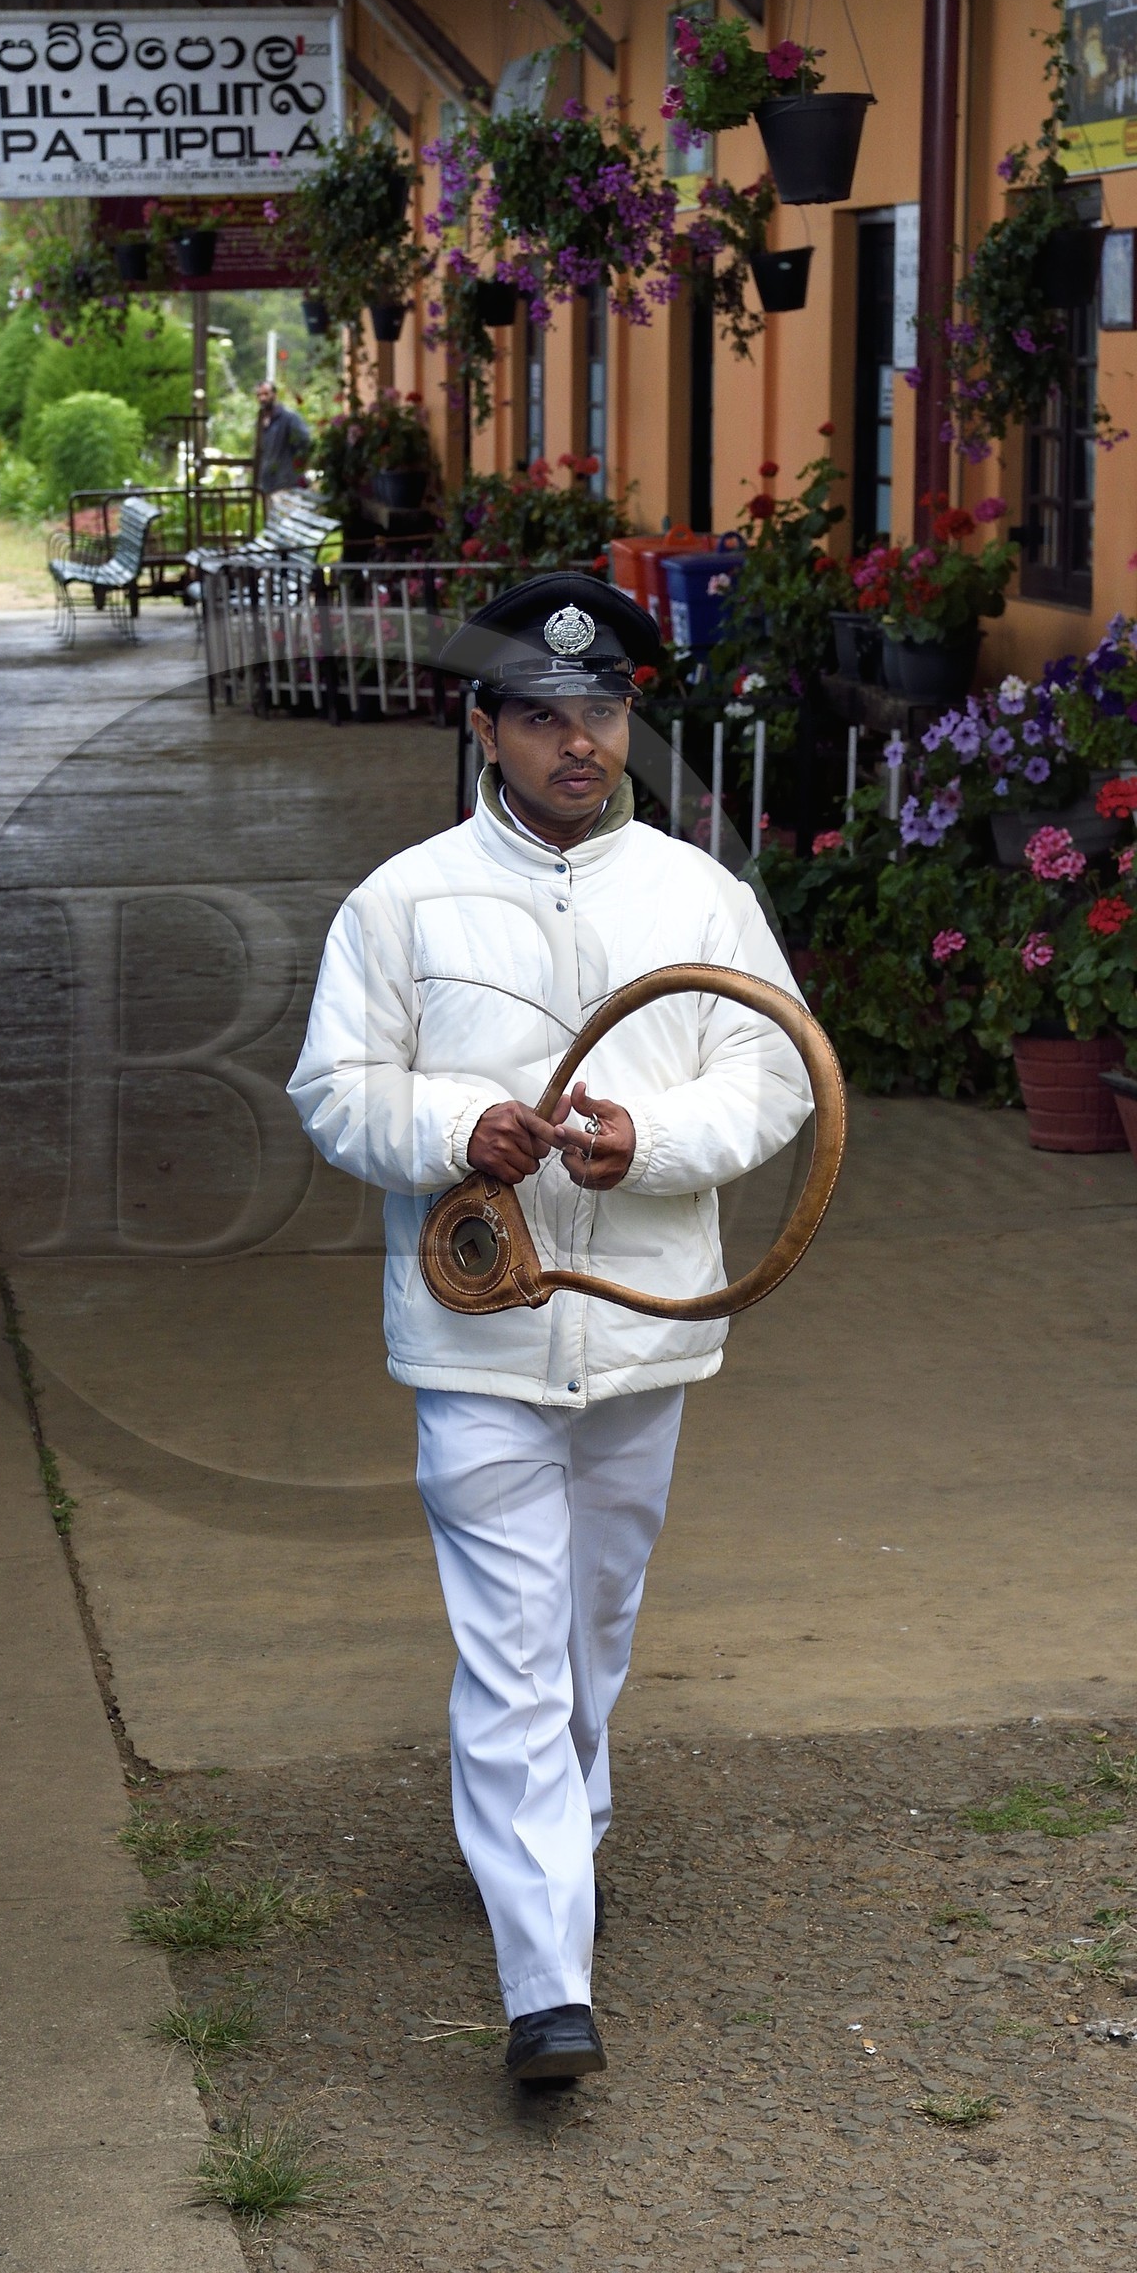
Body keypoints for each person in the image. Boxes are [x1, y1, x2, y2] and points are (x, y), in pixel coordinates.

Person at [288, 573, 812, 2086]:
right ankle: (546, 1985)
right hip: (478, 1334)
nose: (579, 741)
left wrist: (647, 1140)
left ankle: (555, 1843)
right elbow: (336, 1091)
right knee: (514, 1647)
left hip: (645, 1332)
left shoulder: (701, 899)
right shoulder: (401, 900)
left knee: (592, 1626)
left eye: (602, 711)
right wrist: (465, 1127)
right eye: (542, 716)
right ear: (484, 727)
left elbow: (777, 1077)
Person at [253, 381, 309, 495]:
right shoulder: (260, 422)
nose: (262, 398)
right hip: (267, 483)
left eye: (266, 394)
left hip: (287, 482)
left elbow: (304, 442)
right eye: (259, 395)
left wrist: (293, 466)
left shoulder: (289, 418)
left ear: (274, 395)